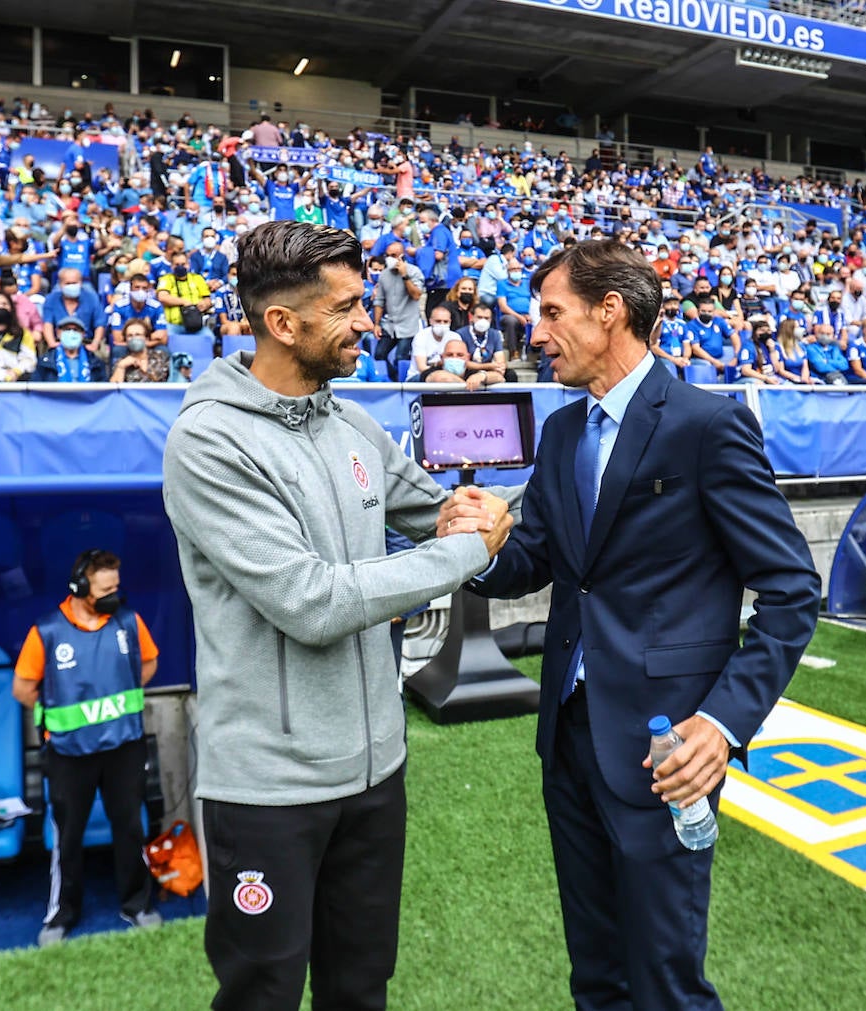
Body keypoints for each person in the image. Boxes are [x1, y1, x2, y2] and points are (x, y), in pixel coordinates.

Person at [452, 240, 820, 1010]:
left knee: (666, 981)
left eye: (552, 314)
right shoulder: (559, 433)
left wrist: (721, 724)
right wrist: (481, 547)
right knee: (597, 974)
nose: (537, 333)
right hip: (569, 736)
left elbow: (790, 588)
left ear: (609, 311)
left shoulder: (705, 426)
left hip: (668, 750)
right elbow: (540, 560)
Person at [162, 222, 516, 1011]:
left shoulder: (350, 422)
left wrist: (529, 495)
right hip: (268, 789)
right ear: (283, 324)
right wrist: (466, 553)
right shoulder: (208, 442)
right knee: (263, 994)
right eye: (350, 306)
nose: (370, 321)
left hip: (376, 771)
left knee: (361, 987)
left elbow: (442, 513)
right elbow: (311, 603)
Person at [11, 550, 161, 947]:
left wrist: (120, 692)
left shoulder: (128, 622)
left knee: (129, 827)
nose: (115, 594)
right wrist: (57, 712)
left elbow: (148, 663)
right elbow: (23, 689)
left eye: (116, 586)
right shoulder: (47, 632)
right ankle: (63, 913)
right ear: (79, 587)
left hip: (124, 747)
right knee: (69, 836)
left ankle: (137, 905)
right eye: (105, 588)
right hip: (69, 755)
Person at [35, 316, 105, 382]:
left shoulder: (95, 362)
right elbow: (35, 389)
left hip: (86, 395)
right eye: (67, 329)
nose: (71, 333)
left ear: (83, 334)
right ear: (58, 333)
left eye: (76, 330)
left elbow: (104, 389)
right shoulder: (45, 362)